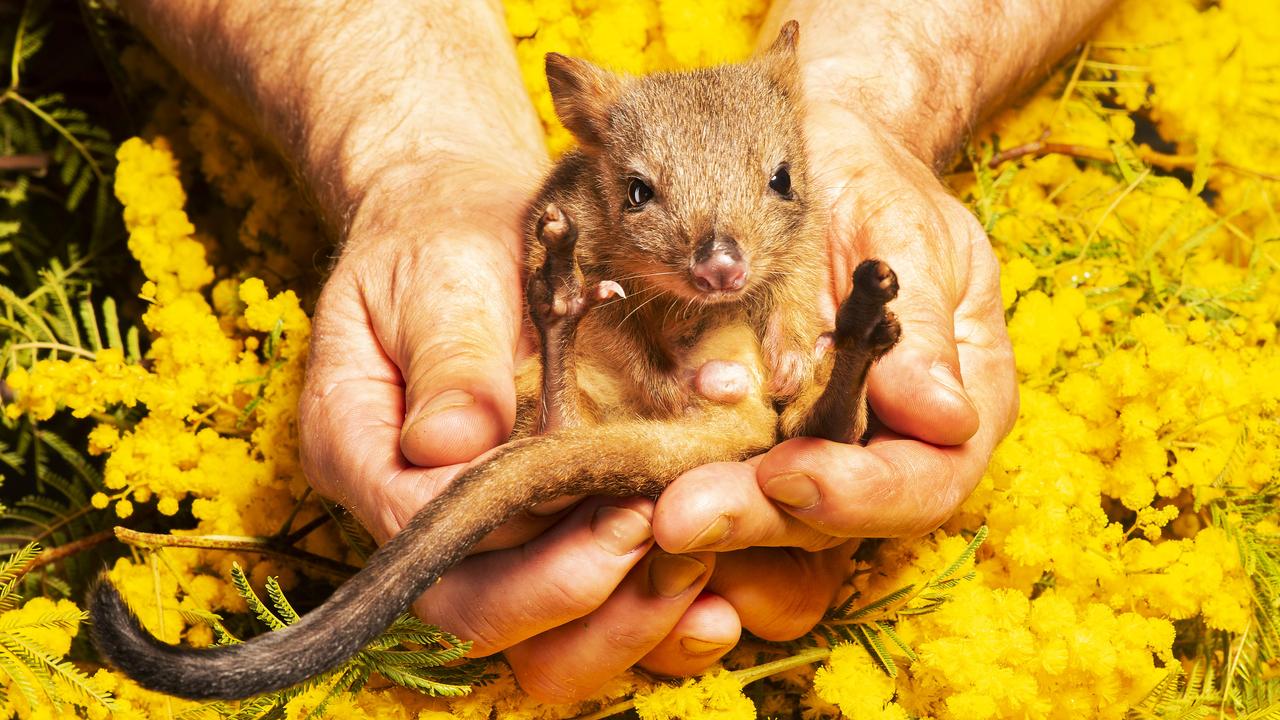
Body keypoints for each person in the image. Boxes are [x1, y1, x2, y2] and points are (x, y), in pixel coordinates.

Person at [116, 0, 1110, 703]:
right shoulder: (581, 224)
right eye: (641, 195)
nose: (718, 260)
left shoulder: (785, 203)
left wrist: (874, 107)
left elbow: (773, 213)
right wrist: (414, 155)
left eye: (773, 187)